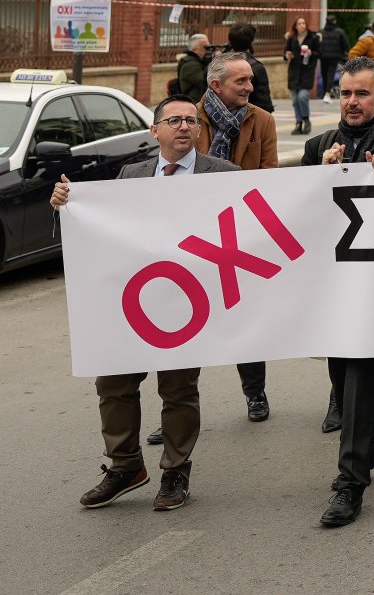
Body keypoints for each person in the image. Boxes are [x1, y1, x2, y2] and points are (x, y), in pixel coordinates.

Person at [53, 94, 237, 513]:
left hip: (190, 303)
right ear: (155, 131)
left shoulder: (224, 175)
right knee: (113, 382)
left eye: (191, 120)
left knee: (178, 389)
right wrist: (66, 207)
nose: (184, 126)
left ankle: (175, 471)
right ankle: (125, 466)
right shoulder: (130, 174)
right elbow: (101, 229)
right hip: (133, 301)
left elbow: (248, 228)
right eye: (174, 120)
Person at [303, 57, 374, 527]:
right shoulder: (317, 147)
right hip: (331, 285)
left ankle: (350, 483)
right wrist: (320, 177)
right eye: (345, 93)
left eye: (362, 94)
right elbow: (297, 218)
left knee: (361, 373)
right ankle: (363, 446)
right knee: (341, 372)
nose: (352, 102)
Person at [187, 50, 280, 425]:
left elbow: (269, 179)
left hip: (240, 233)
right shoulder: (187, 119)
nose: (250, 87)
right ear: (216, 85)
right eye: (241, 81)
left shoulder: (263, 121)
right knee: (187, 322)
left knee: (244, 318)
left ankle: (255, 393)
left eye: (250, 80)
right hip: (193, 234)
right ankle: (179, 408)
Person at [224, 22, 275, 114]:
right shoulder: (256, 67)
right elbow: (263, 101)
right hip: (248, 118)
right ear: (251, 41)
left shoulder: (219, 64)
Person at [284, 17, 318, 133]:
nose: (302, 25)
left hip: (307, 72)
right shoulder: (291, 38)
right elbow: (285, 53)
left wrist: (310, 53)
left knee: (302, 97)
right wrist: (287, 55)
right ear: (295, 26)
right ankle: (298, 123)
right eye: (299, 23)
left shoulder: (313, 37)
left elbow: (319, 53)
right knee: (294, 100)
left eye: (304, 23)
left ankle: (306, 120)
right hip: (294, 72)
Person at [170, 32, 210, 101]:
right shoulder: (190, 65)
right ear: (195, 50)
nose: (209, 50)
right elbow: (206, 83)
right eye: (206, 47)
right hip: (194, 106)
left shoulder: (200, 62)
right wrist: (213, 62)